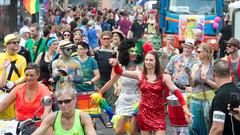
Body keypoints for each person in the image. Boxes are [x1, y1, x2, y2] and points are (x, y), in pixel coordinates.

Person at [111, 51, 191, 135]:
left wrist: (185, 108)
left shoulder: (164, 77)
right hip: (144, 114)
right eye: (146, 60)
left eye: (151, 60)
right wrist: (116, 64)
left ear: (156, 62)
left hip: (158, 114)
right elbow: (120, 72)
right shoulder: (139, 75)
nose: (148, 62)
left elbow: (176, 91)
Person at [98, 39, 142, 135]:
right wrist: (99, 93)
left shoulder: (140, 67)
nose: (134, 54)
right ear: (126, 53)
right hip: (123, 101)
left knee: (133, 131)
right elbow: (111, 82)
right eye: (131, 52)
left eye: (135, 51)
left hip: (136, 101)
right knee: (118, 131)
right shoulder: (121, 67)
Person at [32, 84, 96, 135]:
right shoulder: (52, 118)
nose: (63, 105)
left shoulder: (83, 117)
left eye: (67, 101)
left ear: (75, 100)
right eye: (60, 102)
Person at [185, 44, 217, 135]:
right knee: (193, 127)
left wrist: (206, 80)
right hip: (195, 100)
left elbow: (218, 86)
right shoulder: (196, 66)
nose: (196, 53)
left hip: (208, 100)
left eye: (199, 52)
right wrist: (189, 77)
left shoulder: (214, 66)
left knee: (207, 127)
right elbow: (193, 85)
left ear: (206, 52)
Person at [209, 60, 240, 135]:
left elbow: (217, 129)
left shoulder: (220, 97)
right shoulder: (237, 90)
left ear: (213, 75)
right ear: (230, 73)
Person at [0, 34, 27, 120]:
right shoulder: (1, 57)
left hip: (15, 92)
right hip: (1, 92)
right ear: (7, 44)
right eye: (14, 42)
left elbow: (24, 75)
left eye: (17, 42)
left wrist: (15, 83)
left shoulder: (22, 59)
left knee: (15, 119)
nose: (17, 44)